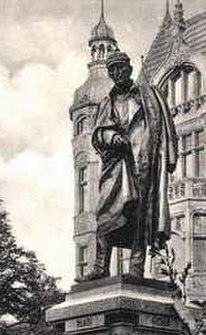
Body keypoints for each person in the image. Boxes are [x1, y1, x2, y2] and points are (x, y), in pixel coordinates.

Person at [84, 50, 178, 280]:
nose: (118, 73)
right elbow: (98, 134)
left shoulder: (149, 96)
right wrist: (111, 137)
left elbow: (166, 129)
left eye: (121, 68)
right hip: (117, 166)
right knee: (106, 215)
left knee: (140, 217)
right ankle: (100, 266)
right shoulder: (108, 101)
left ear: (129, 68)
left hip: (144, 164)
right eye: (112, 70)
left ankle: (136, 268)